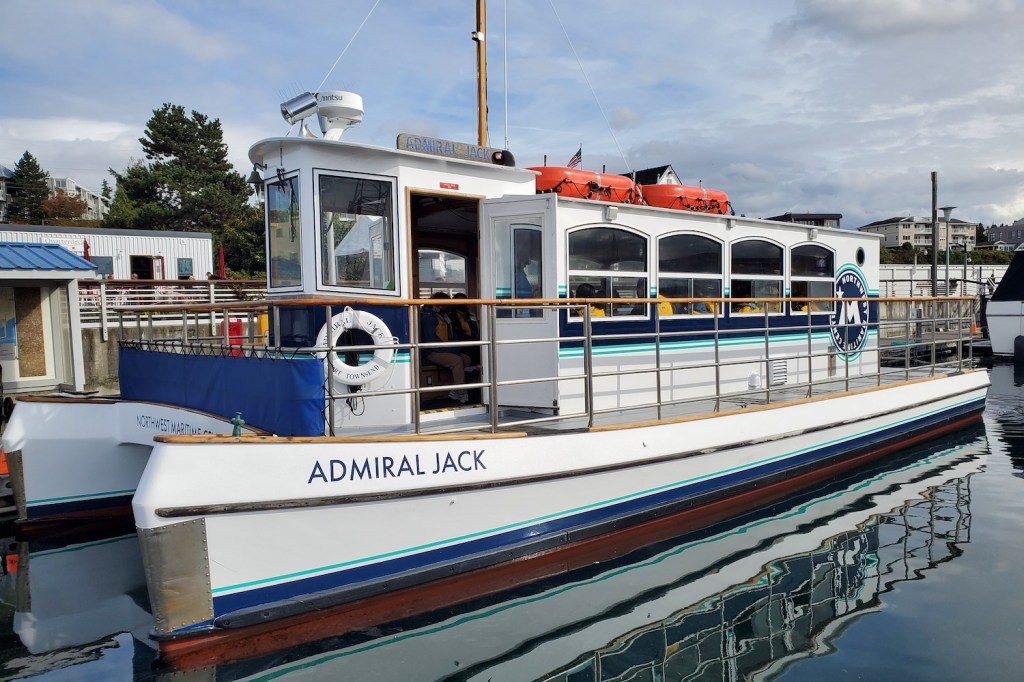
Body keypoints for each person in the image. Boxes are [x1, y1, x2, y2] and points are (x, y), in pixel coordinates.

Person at [421, 292, 473, 403]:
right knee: (456, 361)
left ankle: (454, 390)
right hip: (431, 351)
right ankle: (462, 392)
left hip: (444, 348)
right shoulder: (428, 318)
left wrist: (454, 347)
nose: (447, 307)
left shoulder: (443, 316)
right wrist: (452, 349)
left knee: (466, 359)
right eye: (444, 305)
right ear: (436, 304)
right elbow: (431, 341)